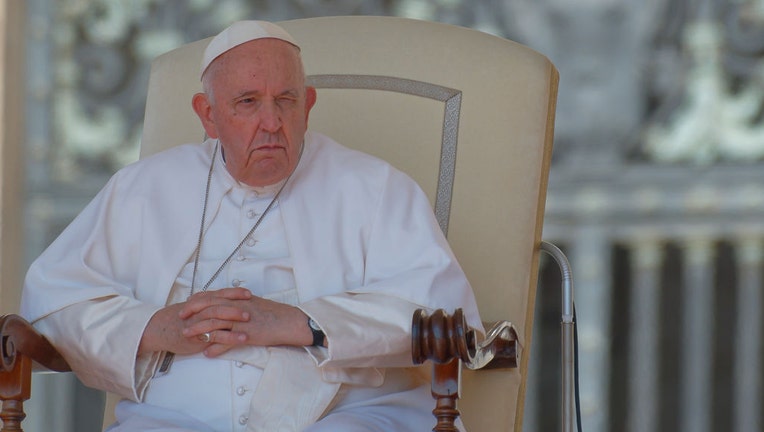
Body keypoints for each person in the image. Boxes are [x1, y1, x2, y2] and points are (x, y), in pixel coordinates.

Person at [21, 20, 482, 432]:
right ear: (208, 115)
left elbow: (446, 317)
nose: (271, 123)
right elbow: (53, 300)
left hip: (345, 415)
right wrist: (152, 329)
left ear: (309, 105)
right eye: (247, 102)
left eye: (286, 100)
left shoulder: (375, 187)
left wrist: (307, 324)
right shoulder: (144, 189)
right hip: (173, 419)